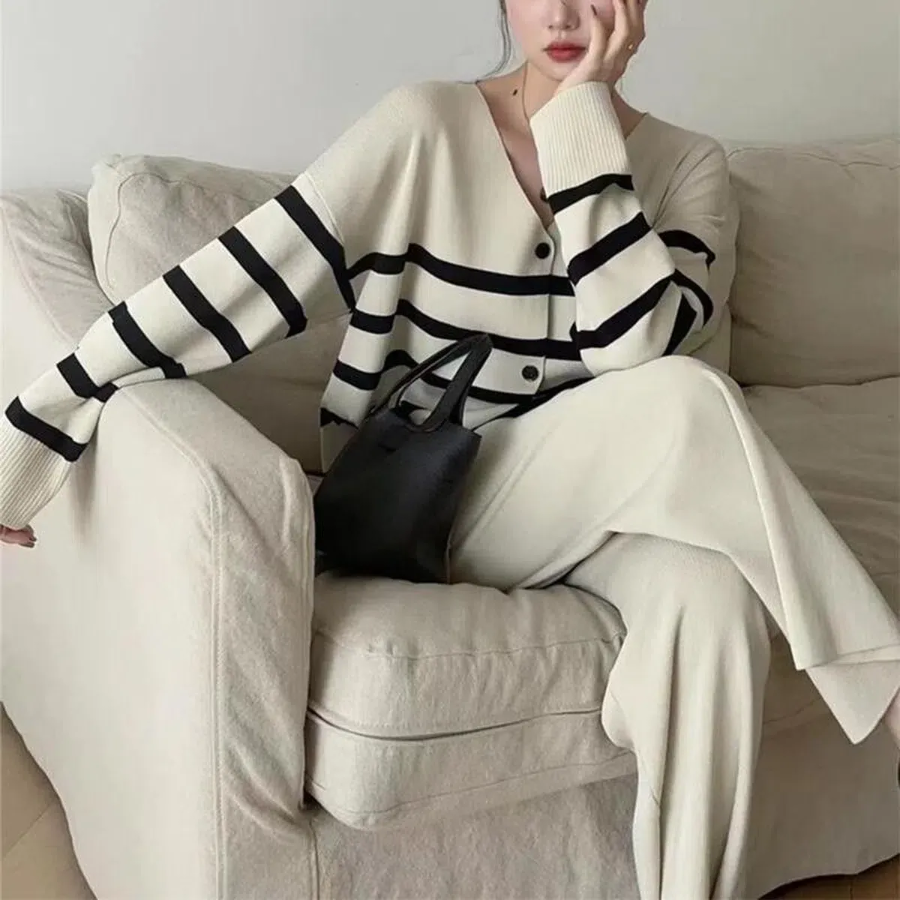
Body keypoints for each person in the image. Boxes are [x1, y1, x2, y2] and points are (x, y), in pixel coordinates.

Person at [2, 0, 899, 895]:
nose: (565, 12)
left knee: (717, 608)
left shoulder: (689, 166)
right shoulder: (425, 125)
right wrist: (44, 412)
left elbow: (631, 344)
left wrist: (582, 129)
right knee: (685, 398)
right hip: (439, 504)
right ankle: (886, 678)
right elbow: (244, 278)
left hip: (605, 514)